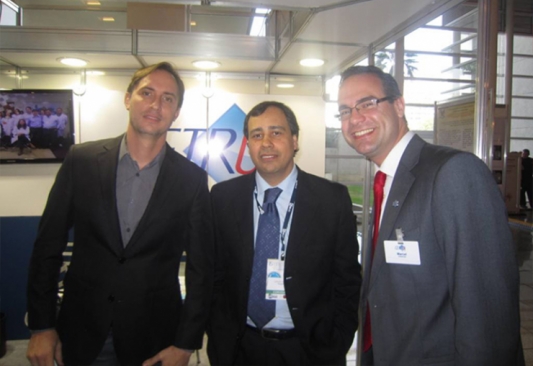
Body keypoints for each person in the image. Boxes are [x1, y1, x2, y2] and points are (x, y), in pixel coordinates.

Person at [26, 62, 214, 366]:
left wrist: (186, 344)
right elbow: (48, 246)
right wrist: (41, 326)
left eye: (167, 98)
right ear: (128, 99)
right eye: (147, 93)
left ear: (176, 112)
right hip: (81, 331)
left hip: (154, 339)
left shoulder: (191, 179)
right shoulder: (81, 161)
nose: (156, 104)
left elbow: (201, 270)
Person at [337, 65, 523, 366]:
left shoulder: (454, 172)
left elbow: (488, 311)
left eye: (367, 103)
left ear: (399, 106)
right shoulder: (387, 181)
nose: (354, 118)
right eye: (345, 111)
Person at [207, 101, 361, 365]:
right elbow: (213, 274)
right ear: (248, 144)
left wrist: (338, 339)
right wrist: (217, 332)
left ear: (295, 140)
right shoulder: (223, 198)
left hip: (309, 350)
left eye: (276, 132)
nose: (266, 143)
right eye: (257, 135)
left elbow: (347, 279)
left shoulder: (331, 200)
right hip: (239, 348)